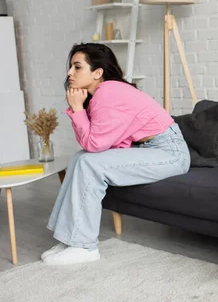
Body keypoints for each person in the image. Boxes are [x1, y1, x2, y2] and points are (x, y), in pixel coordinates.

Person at [41, 43, 190, 266]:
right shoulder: (103, 94)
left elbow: (94, 144)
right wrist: (80, 110)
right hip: (149, 149)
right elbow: (96, 144)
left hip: (169, 151)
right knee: (80, 158)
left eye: (77, 67)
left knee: (89, 162)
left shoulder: (108, 92)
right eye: (70, 67)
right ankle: (70, 238)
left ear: (97, 72)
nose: (69, 73)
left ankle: (84, 246)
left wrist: (78, 110)